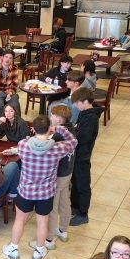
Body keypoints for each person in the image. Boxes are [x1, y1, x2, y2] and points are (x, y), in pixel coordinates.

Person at [2, 115, 77, 259]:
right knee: (43, 222)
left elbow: (20, 149)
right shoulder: (57, 148)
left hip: (25, 192)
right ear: (49, 129)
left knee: (20, 220)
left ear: (33, 129)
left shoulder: (23, 145)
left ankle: (13, 248)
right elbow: (74, 141)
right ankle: (39, 250)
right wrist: (59, 128)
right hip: (46, 193)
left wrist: (13, 151)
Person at [70, 89, 103, 227]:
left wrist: (71, 135)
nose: (76, 106)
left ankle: (83, 214)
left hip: (83, 156)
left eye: (77, 103)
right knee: (75, 183)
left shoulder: (91, 118)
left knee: (82, 185)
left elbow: (82, 137)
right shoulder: (84, 114)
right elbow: (78, 129)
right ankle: (76, 207)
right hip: (77, 155)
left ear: (85, 102)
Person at [46, 105, 75, 245]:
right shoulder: (71, 129)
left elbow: (46, 147)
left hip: (58, 174)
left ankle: (49, 238)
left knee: (52, 207)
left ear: (59, 119)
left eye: (52, 116)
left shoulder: (58, 135)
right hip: (68, 172)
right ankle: (63, 230)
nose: (50, 118)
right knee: (64, 201)